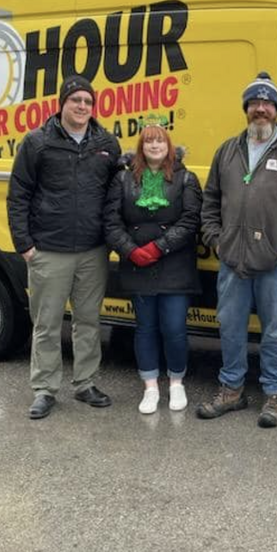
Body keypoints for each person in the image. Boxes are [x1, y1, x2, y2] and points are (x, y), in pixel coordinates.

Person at [196, 71, 277, 427]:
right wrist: (215, 239)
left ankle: (273, 395)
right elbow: (210, 200)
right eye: (255, 102)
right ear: (246, 108)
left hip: (276, 262)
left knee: (275, 331)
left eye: (267, 103)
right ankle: (232, 390)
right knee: (230, 326)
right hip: (232, 259)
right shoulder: (228, 149)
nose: (261, 109)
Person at [6, 75, 121, 419]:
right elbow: (19, 195)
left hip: (92, 251)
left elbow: (116, 195)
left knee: (88, 320)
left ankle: (85, 383)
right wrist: (25, 246)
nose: (82, 107)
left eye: (88, 101)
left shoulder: (106, 144)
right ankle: (44, 389)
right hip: (49, 250)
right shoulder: (37, 142)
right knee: (47, 323)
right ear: (62, 103)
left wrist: (111, 240)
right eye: (76, 100)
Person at [104, 118, 202, 414]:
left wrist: (159, 246)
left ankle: (176, 382)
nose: (155, 145)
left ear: (169, 145)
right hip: (137, 266)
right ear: (141, 147)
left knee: (174, 328)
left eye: (160, 140)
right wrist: (130, 250)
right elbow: (111, 221)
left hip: (175, 265)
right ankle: (150, 386)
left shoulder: (186, 179)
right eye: (149, 141)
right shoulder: (122, 180)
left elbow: (191, 220)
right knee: (145, 328)